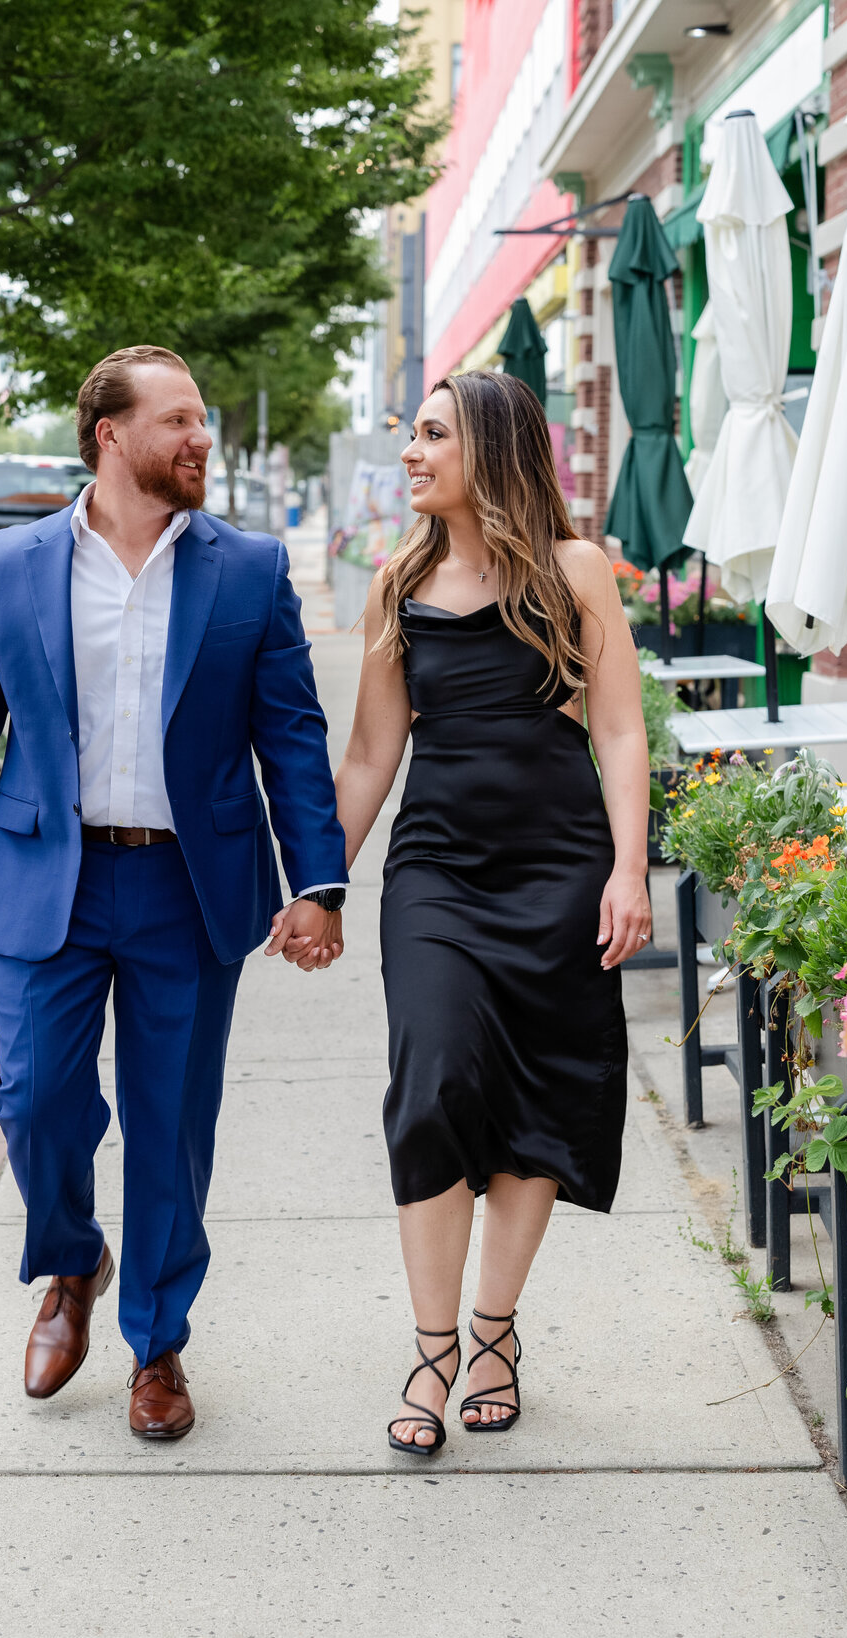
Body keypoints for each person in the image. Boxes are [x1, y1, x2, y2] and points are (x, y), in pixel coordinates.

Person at [0, 345, 347, 1440]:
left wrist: (316, 881)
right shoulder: (8, 568)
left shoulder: (248, 569)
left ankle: (158, 1344)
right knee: (37, 1099)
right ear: (112, 435)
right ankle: (72, 1259)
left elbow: (290, 734)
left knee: (171, 1124)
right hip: (53, 877)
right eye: (179, 421)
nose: (201, 439)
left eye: (201, 420)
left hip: (190, 886)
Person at [333, 369, 650, 1456]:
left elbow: (617, 731)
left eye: (431, 436)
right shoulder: (398, 583)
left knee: (535, 1101)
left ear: (494, 447)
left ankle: (495, 1332)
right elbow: (374, 752)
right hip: (438, 872)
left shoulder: (575, 571)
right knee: (433, 1086)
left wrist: (629, 870)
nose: (412, 454)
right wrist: (322, 885)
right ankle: (431, 1353)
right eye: (411, 436)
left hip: (561, 866)